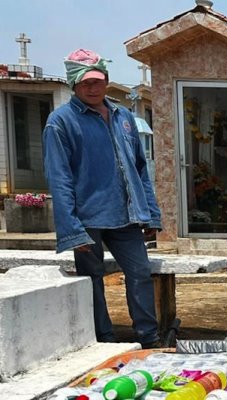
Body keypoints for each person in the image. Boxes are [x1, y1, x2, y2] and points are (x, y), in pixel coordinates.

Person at [42, 49, 162, 348]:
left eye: (97, 81)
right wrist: (71, 230)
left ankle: (149, 339)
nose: (93, 88)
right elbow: (59, 178)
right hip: (87, 219)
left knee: (140, 274)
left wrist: (151, 213)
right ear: (74, 84)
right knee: (92, 281)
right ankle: (103, 342)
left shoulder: (124, 116)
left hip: (127, 214)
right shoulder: (61, 122)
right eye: (85, 83)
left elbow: (139, 168)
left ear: (106, 80)